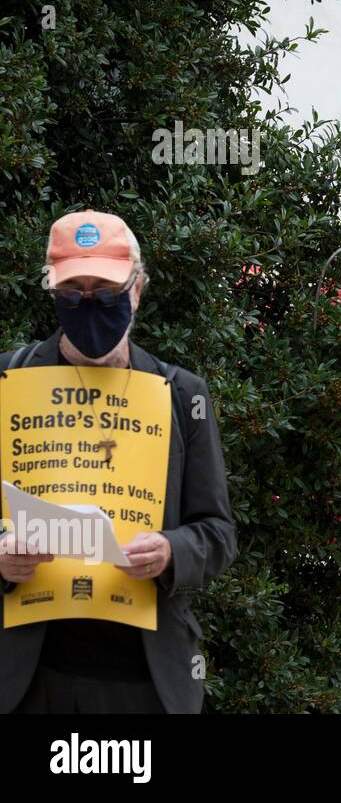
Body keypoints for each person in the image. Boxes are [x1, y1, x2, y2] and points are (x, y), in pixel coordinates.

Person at [0, 210, 237, 713]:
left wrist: (171, 551)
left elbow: (218, 533)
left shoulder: (180, 395)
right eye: (72, 293)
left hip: (147, 680)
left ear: (137, 288)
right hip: (27, 678)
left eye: (105, 291)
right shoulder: (7, 383)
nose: (89, 305)